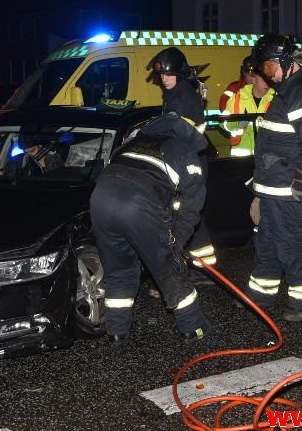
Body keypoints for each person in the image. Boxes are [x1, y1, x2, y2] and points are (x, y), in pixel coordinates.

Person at [90, 112, 210, 349]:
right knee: (170, 270)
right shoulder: (185, 153)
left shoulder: (136, 141)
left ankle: (116, 332)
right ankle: (193, 329)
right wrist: (176, 242)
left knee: (119, 270)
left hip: (99, 199)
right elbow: (190, 209)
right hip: (138, 204)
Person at [243, 34, 302, 322]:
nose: (267, 75)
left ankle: (301, 301)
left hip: (290, 188)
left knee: (291, 243)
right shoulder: (289, 88)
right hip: (273, 186)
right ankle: (261, 295)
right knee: (266, 241)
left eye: (268, 67)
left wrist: (300, 180)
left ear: (285, 61)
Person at [147, 47, 216, 273]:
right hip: (186, 162)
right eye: (161, 75)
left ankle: (176, 273)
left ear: (180, 73)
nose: (164, 79)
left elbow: (178, 134)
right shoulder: (175, 94)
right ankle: (205, 268)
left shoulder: (184, 98)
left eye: (169, 74)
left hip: (189, 164)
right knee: (191, 215)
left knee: (179, 217)